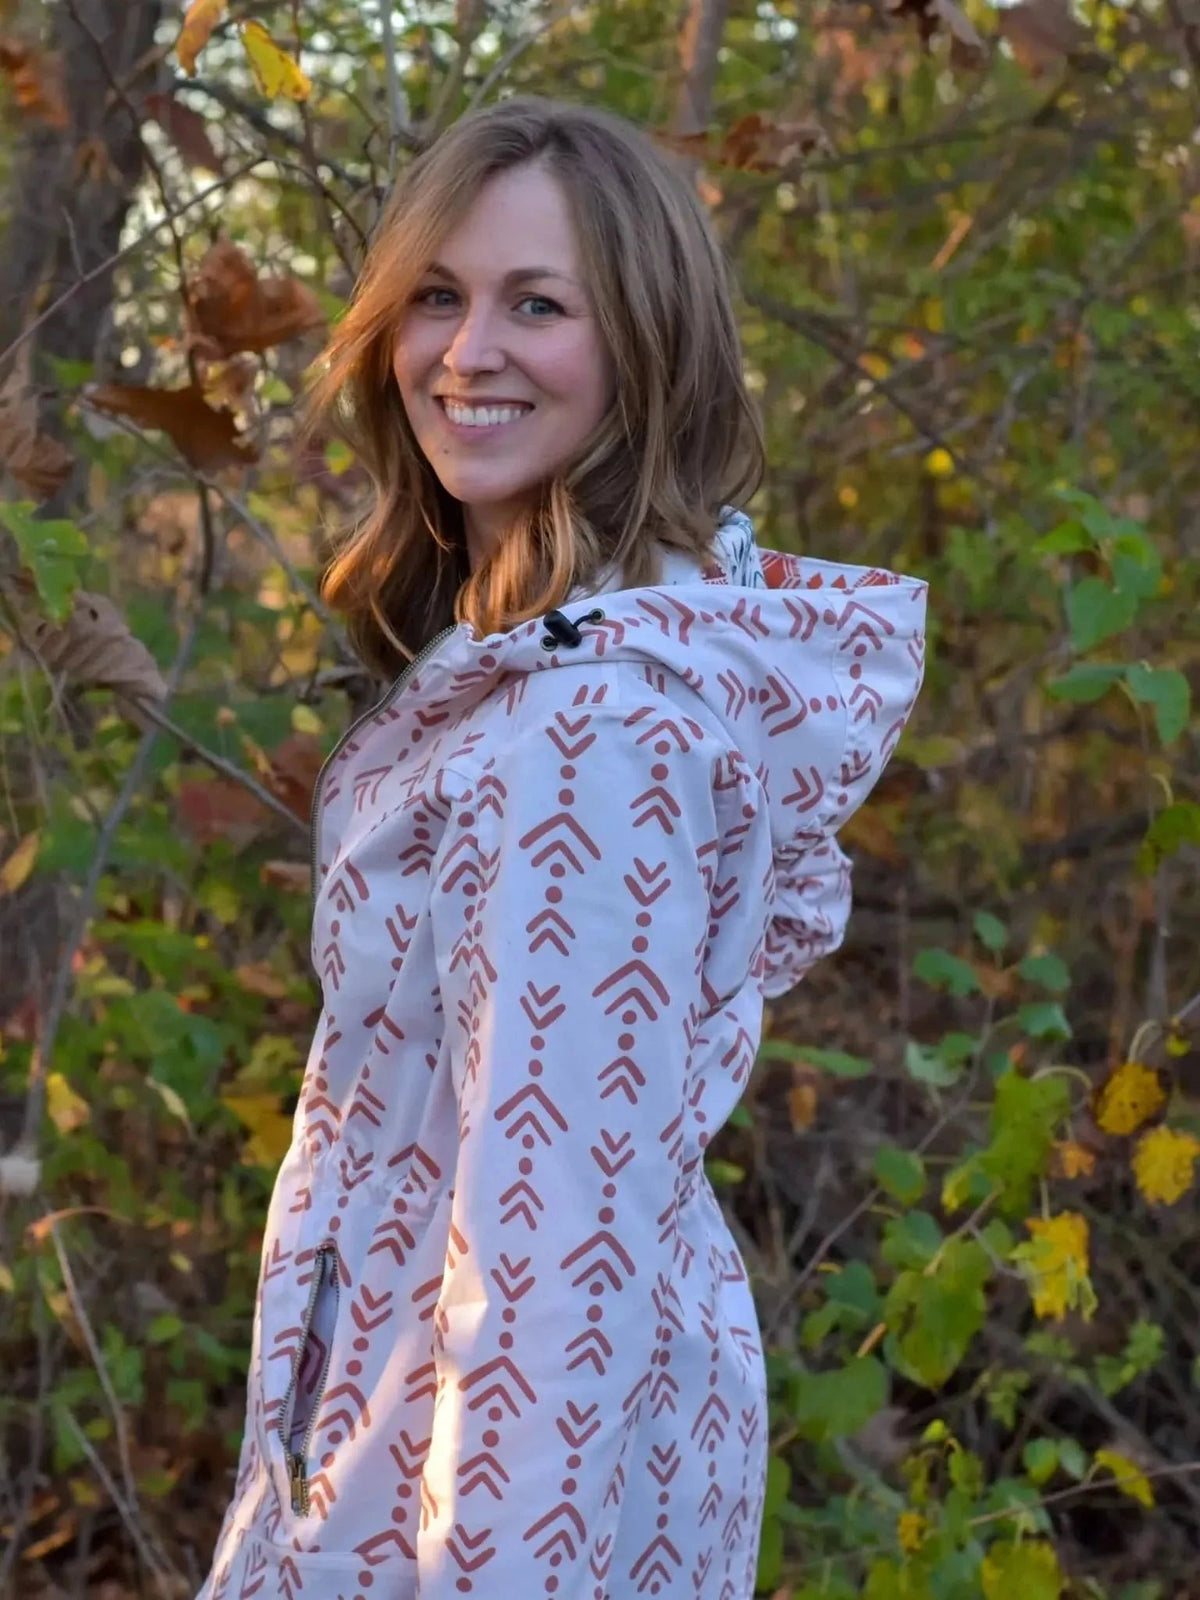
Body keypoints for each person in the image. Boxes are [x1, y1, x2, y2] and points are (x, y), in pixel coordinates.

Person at [194, 96, 927, 1600]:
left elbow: (545, 1279)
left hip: (482, 1495)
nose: (467, 354)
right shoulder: (543, 668)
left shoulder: (587, 734)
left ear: (649, 346)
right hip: (412, 1432)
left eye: (539, 304)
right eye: (438, 297)